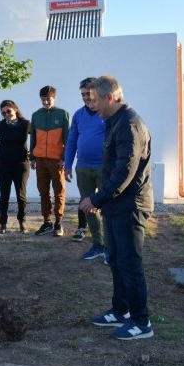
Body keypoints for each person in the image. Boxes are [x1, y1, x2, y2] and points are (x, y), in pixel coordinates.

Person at [79, 75, 154, 340]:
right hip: (115, 206)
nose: (92, 105)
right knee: (115, 261)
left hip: (129, 206)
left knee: (130, 264)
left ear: (110, 97)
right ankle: (120, 311)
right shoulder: (113, 122)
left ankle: (141, 322)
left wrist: (96, 198)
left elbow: (124, 171)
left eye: (96, 99)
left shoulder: (129, 125)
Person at [64, 77, 107, 260]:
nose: (86, 98)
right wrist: (67, 165)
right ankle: (98, 244)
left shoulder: (106, 113)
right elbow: (72, 141)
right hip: (83, 168)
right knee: (88, 206)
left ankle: (112, 247)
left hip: (104, 168)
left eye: (89, 93)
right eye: (83, 94)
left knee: (108, 208)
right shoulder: (78, 115)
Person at [30, 85, 71, 237]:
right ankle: (47, 221)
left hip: (56, 160)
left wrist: (65, 158)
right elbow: (32, 137)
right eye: (43, 100)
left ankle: (58, 222)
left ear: (55, 98)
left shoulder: (63, 114)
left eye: (48, 99)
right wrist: (32, 157)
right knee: (43, 191)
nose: (46, 102)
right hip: (40, 159)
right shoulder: (36, 115)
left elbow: (68, 139)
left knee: (59, 191)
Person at [0, 100, 30, 234]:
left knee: (21, 194)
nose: (6, 114)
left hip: (21, 164)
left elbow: (37, 136)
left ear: (15, 109)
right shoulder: (0, 125)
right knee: (4, 194)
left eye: (8, 111)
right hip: (4, 164)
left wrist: (33, 152)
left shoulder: (25, 124)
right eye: (3, 112)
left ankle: (22, 221)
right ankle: (3, 223)